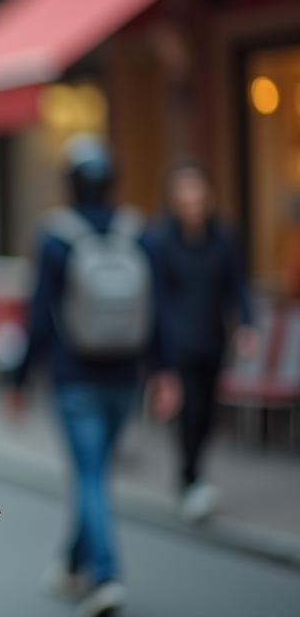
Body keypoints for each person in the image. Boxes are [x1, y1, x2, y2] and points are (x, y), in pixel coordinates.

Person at [7, 135, 166, 617]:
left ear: (69, 183)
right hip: (126, 377)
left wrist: (16, 380)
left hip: (73, 377)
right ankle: (71, 565)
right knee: (95, 473)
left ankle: (106, 573)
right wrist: (162, 370)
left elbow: (38, 317)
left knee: (90, 474)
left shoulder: (55, 235)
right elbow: (157, 311)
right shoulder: (138, 231)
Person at [145, 163, 255, 523]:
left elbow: (237, 285)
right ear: (174, 200)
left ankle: (192, 475)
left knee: (208, 412)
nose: (192, 201)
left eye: (197, 193)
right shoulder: (161, 240)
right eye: (184, 195)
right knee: (189, 411)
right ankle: (190, 478)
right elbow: (156, 296)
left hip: (212, 338)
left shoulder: (224, 238)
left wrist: (248, 324)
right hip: (177, 342)